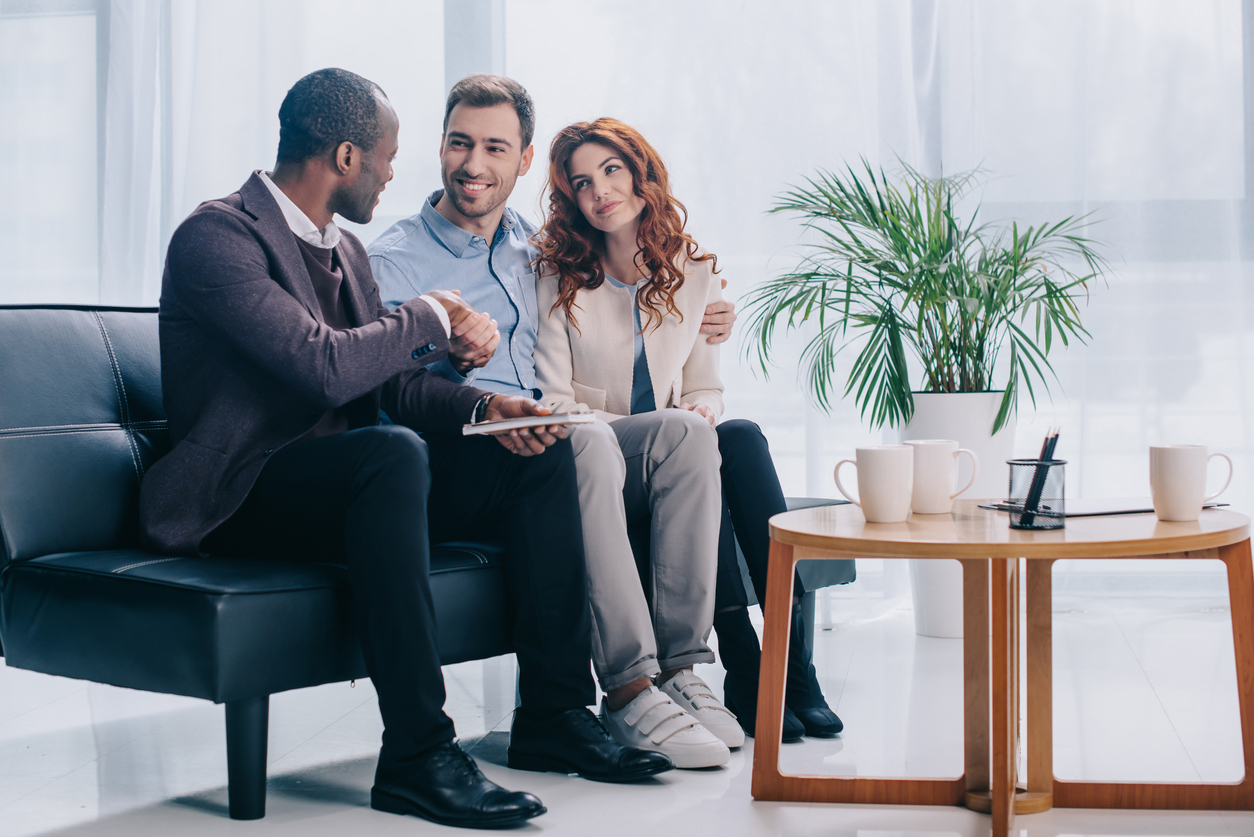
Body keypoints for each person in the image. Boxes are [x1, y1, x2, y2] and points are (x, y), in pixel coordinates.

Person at [139, 69, 670, 831]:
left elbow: (392, 385)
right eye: (387, 157)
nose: (396, 172)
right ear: (347, 157)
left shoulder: (345, 254)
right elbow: (321, 364)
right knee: (390, 455)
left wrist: (493, 406)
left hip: (350, 485)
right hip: (239, 494)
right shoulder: (218, 236)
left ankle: (553, 711)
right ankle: (418, 753)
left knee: (540, 451)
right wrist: (426, 312)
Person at [368, 75, 742, 769]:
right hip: (469, 444)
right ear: (440, 147)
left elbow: (635, 278)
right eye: (459, 143)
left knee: (689, 432)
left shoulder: (534, 246)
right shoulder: (394, 259)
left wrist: (707, 307)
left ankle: (685, 669)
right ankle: (630, 687)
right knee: (587, 439)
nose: (473, 165)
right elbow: (382, 381)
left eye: (494, 148)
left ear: (522, 159)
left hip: (554, 429)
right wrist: (444, 349)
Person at [532, 117, 844, 744]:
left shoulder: (692, 270)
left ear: (642, 174)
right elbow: (558, 401)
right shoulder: (556, 276)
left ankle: (785, 664)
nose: (600, 191)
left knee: (741, 437)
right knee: (707, 440)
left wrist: (699, 409)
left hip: (679, 454)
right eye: (582, 182)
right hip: (607, 461)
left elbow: (705, 385)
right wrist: (679, 424)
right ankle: (753, 659)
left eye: (612, 170)